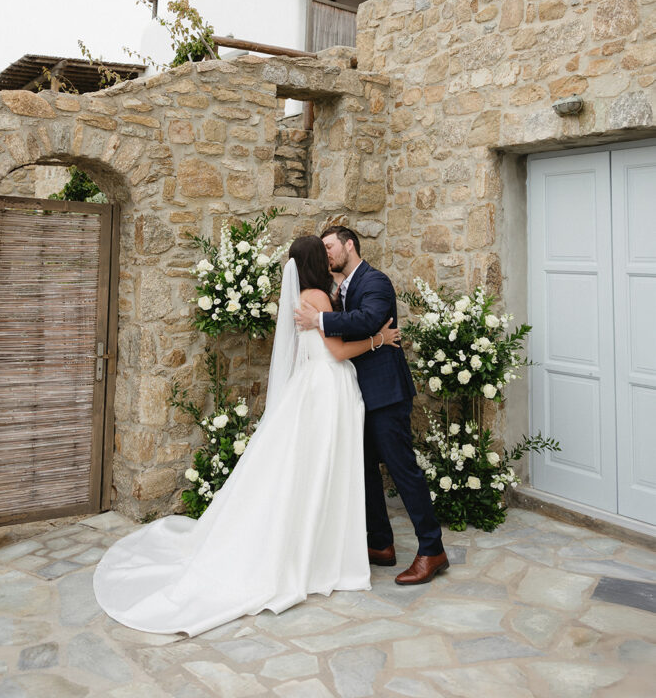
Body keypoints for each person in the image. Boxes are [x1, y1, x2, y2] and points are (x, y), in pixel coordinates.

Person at [93, 235, 400, 636]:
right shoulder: (318, 298)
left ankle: (318, 544)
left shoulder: (301, 296)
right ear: (313, 263)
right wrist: (381, 339)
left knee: (312, 467)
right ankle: (323, 553)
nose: (328, 258)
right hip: (328, 388)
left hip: (314, 386)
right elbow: (338, 353)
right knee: (326, 465)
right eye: (321, 253)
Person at [295, 226, 448, 586]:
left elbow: (367, 320)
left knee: (402, 470)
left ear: (350, 245)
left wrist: (318, 320)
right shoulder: (335, 290)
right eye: (323, 249)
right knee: (363, 470)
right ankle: (380, 544)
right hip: (354, 395)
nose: (327, 253)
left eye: (330, 246)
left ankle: (432, 549)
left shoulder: (375, 281)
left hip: (386, 395)